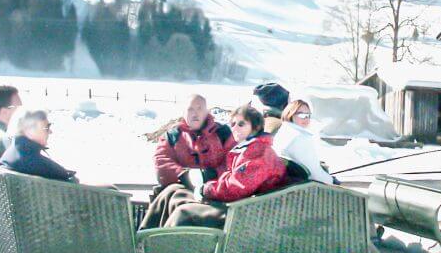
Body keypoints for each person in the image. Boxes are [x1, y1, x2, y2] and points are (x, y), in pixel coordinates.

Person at [144, 105, 287, 229]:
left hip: (243, 211)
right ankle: (144, 240)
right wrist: (206, 176)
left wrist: (205, 189)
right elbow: (228, 172)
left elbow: (236, 188)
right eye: (233, 124)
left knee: (185, 212)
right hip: (232, 202)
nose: (235, 128)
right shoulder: (244, 148)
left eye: (241, 124)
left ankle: (162, 251)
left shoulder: (259, 153)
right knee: (174, 192)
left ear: (256, 127)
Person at [151, 94, 234, 189]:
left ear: (207, 112)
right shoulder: (172, 136)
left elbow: (235, 159)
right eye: (190, 109)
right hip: (183, 190)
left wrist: (212, 174)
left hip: (219, 188)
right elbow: (161, 161)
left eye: (199, 109)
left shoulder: (223, 133)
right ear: (183, 112)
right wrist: (184, 176)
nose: (195, 114)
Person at [0, 108, 77, 182]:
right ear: (29, 131)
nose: (50, 131)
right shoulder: (37, 164)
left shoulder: (10, 154)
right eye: (46, 127)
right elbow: (68, 183)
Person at [271, 99, 337, 184]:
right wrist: (331, 181)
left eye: (308, 115)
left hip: (288, 181)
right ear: (290, 114)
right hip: (304, 186)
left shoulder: (284, 131)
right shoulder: (301, 138)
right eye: (301, 115)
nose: (306, 118)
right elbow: (314, 172)